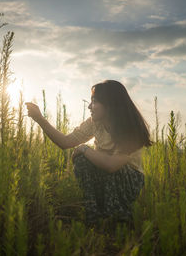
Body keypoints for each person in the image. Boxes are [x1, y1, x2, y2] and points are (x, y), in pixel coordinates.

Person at [25, 80, 152, 225]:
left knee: (101, 163)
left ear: (110, 105)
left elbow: (111, 165)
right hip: (107, 174)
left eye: (94, 101)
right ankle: (93, 216)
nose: (89, 106)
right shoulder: (94, 123)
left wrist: (84, 148)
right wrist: (40, 119)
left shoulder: (130, 130)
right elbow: (65, 142)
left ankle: (118, 216)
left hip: (129, 181)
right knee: (83, 161)